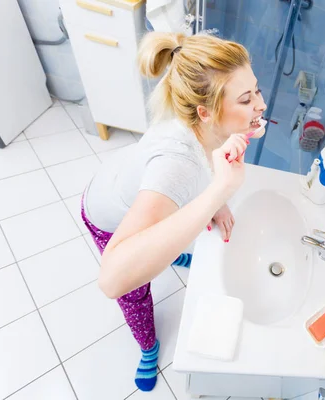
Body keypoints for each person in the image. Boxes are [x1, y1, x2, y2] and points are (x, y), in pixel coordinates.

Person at [81, 32, 267, 391]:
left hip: (123, 180)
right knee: (134, 292)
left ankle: (171, 257)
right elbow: (112, 279)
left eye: (256, 90)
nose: (260, 105)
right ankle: (148, 347)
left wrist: (219, 195)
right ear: (206, 112)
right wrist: (218, 194)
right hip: (106, 216)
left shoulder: (201, 125)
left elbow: (208, 163)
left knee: (166, 247)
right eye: (246, 99)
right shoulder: (176, 166)